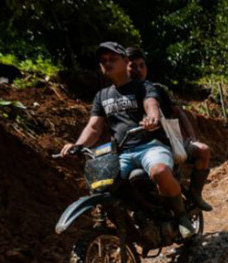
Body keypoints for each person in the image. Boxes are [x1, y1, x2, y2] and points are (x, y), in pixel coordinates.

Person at [61, 42, 196, 238]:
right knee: (103, 188)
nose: (107, 63)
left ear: (126, 62)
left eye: (113, 59)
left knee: (159, 171)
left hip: (151, 146)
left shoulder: (143, 86)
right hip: (122, 153)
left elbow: (151, 104)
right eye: (103, 61)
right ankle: (136, 228)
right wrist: (77, 145)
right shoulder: (102, 96)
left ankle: (182, 216)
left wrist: (152, 118)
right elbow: (93, 127)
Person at [126, 47, 213, 212]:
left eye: (141, 65)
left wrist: (192, 138)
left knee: (203, 150)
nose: (138, 70)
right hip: (135, 149)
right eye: (133, 66)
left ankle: (195, 195)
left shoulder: (156, 89)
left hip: (169, 144)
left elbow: (178, 112)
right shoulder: (117, 95)